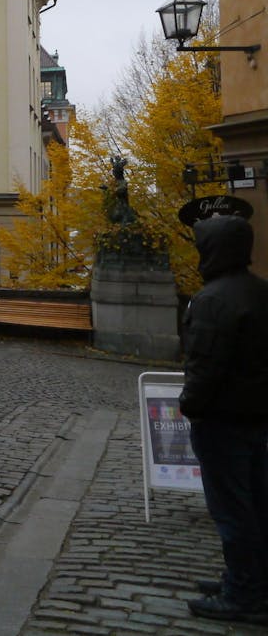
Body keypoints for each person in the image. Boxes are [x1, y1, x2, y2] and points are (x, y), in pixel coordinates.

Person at [179, 213, 268, 624]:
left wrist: (190, 404)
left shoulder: (213, 299)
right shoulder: (260, 292)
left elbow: (205, 365)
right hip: (255, 417)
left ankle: (243, 594)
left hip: (222, 419)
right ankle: (249, 579)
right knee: (256, 504)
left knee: (233, 510)